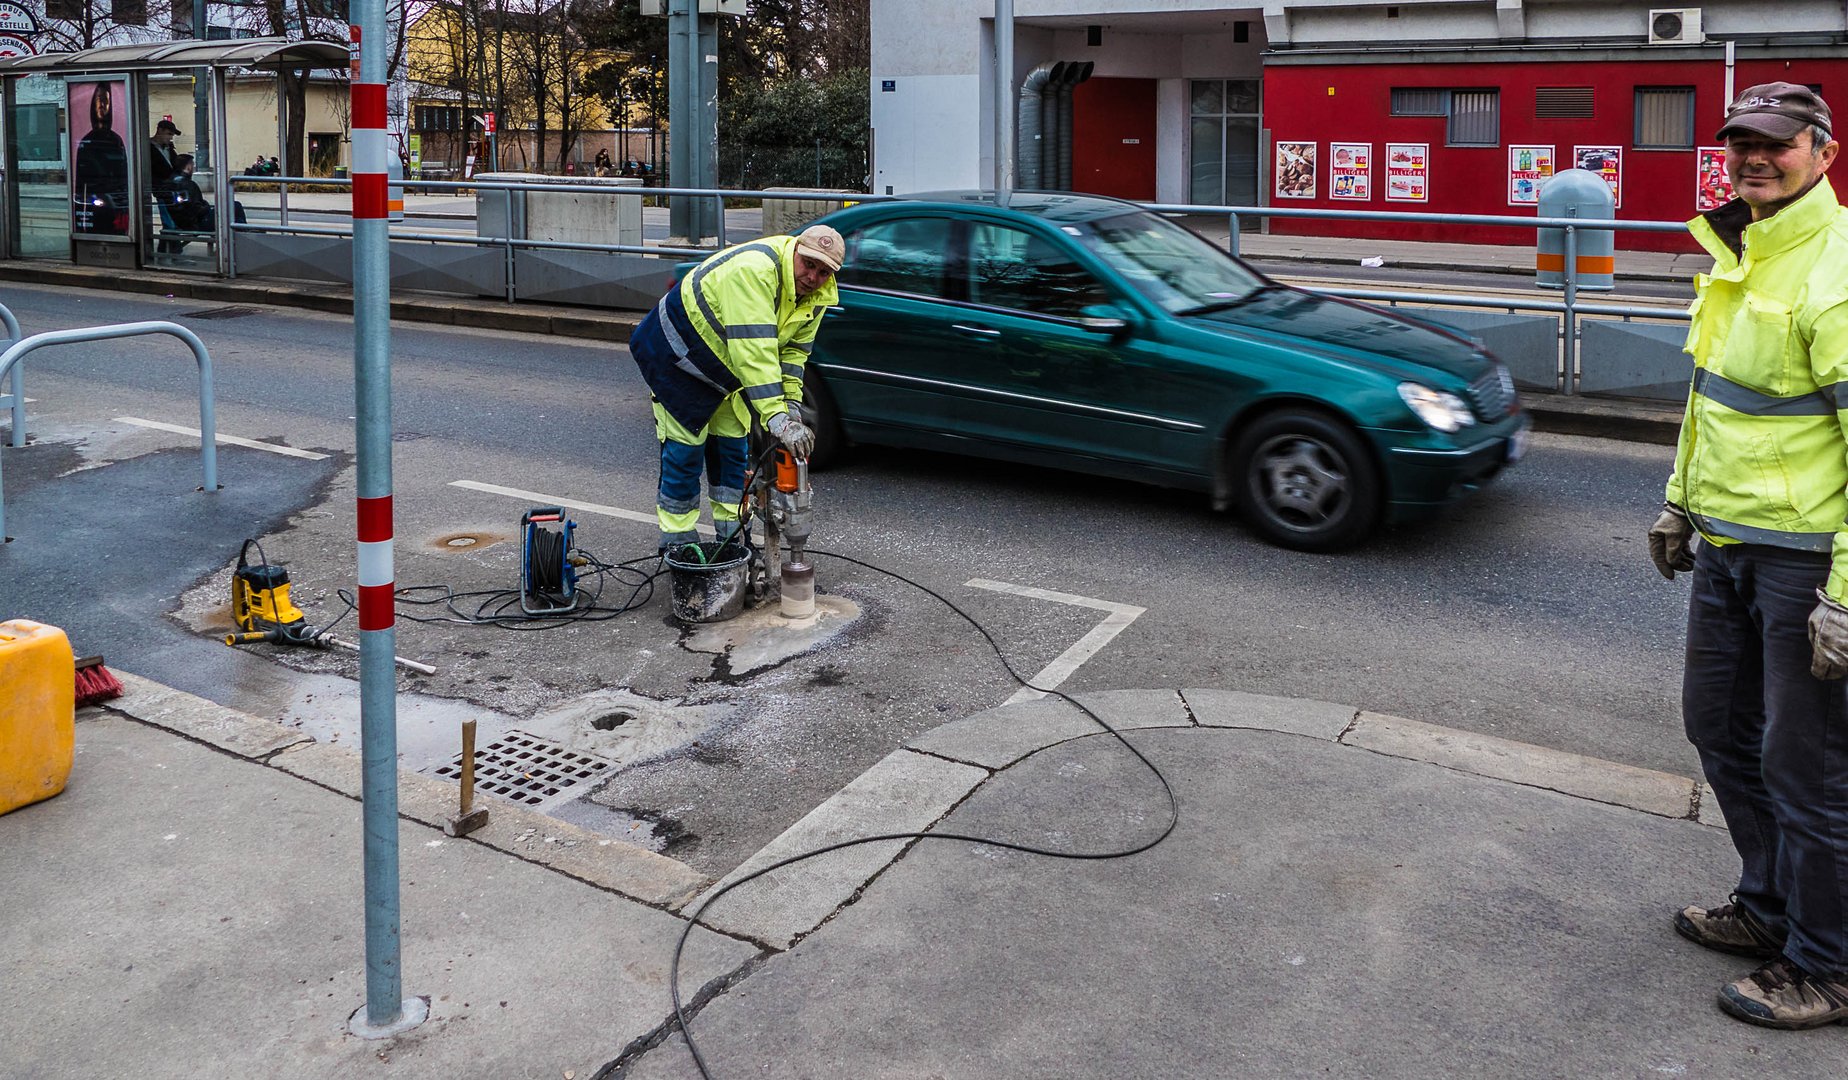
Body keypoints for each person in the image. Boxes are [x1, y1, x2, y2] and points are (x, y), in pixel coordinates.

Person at [1650, 82, 1848, 1029]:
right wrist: (1679, 506)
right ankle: (1771, 909)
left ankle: (1830, 963)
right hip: (1726, 545)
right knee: (1718, 730)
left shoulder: (1834, 268)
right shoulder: (1739, 250)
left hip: (1802, 559)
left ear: (1823, 152)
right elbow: (1713, 398)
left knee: (1807, 765)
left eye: (1776, 143)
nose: (1754, 159)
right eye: (1741, 144)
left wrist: (1844, 596)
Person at [627, 223, 844, 554]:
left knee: (731, 452)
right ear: (795, 251)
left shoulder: (814, 297)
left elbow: (793, 354)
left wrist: (791, 407)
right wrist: (777, 418)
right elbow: (755, 353)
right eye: (809, 264)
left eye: (823, 272)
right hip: (677, 357)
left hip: (726, 370)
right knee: (685, 452)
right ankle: (678, 544)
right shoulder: (755, 272)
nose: (813, 277)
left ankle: (730, 541)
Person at [72, 83, 127, 235]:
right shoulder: (86, 141)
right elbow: (79, 183)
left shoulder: (116, 140)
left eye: (106, 101)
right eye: (99, 100)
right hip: (95, 198)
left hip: (116, 199)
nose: (103, 105)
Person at [166, 153, 247, 234]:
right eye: (192, 164)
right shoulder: (188, 184)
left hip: (186, 222)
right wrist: (207, 206)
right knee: (236, 207)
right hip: (197, 223)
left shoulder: (172, 181)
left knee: (235, 215)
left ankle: (244, 232)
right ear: (188, 166)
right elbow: (196, 209)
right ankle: (245, 234)